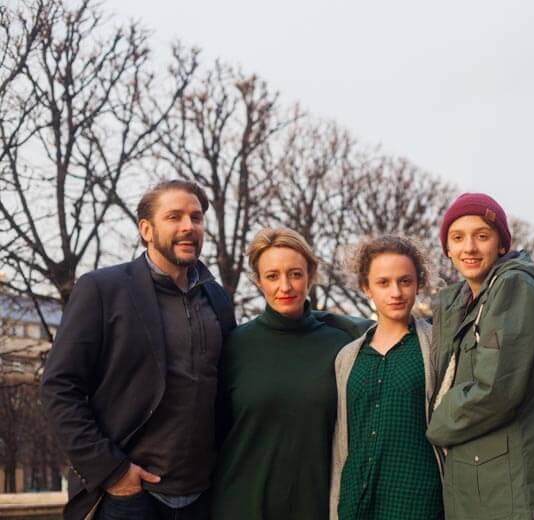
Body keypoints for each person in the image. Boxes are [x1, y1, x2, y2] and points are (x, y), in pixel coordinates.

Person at [40, 180, 237, 520]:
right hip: (128, 498)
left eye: (196, 217)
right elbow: (59, 387)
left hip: (201, 497)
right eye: (174, 217)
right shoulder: (102, 289)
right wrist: (112, 471)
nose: (189, 226)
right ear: (146, 229)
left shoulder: (216, 298)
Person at [211, 227, 371, 519]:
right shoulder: (234, 345)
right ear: (258, 281)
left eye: (295, 274)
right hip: (239, 506)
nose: (285, 286)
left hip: (316, 506)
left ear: (310, 275)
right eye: (272, 276)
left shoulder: (342, 347)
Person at [426, 193, 534, 520]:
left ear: (501, 244)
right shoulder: (460, 302)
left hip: (507, 489)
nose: (469, 247)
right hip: (476, 483)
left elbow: (496, 390)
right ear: (448, 249)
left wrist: (432, 425)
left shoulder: (514, 286)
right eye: (458, 238)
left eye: (481, 236)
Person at [330, 236, 443, 520]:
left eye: (405, 281)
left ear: (419, 283)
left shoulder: (437, 347)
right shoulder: (346, 358)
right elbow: (342, 443)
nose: (396, 292)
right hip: (356, 504)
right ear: (366, 287)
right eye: (383, 282)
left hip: (419, 505)